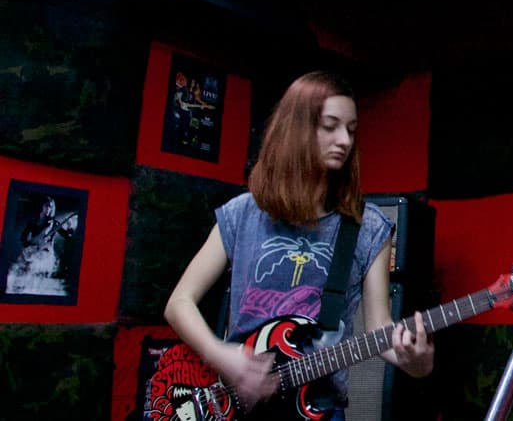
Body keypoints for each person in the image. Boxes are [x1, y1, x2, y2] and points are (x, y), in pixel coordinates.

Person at [165, 71, 433, 418]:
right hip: (239, 404)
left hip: (318, 407)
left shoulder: (367, 228)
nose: (345, 140)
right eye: (330, 126)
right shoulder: (243, 213)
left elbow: (380, 328)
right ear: (298, 128)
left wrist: (417, 363)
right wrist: (220, 354)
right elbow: (179, 302)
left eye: (351, 130)